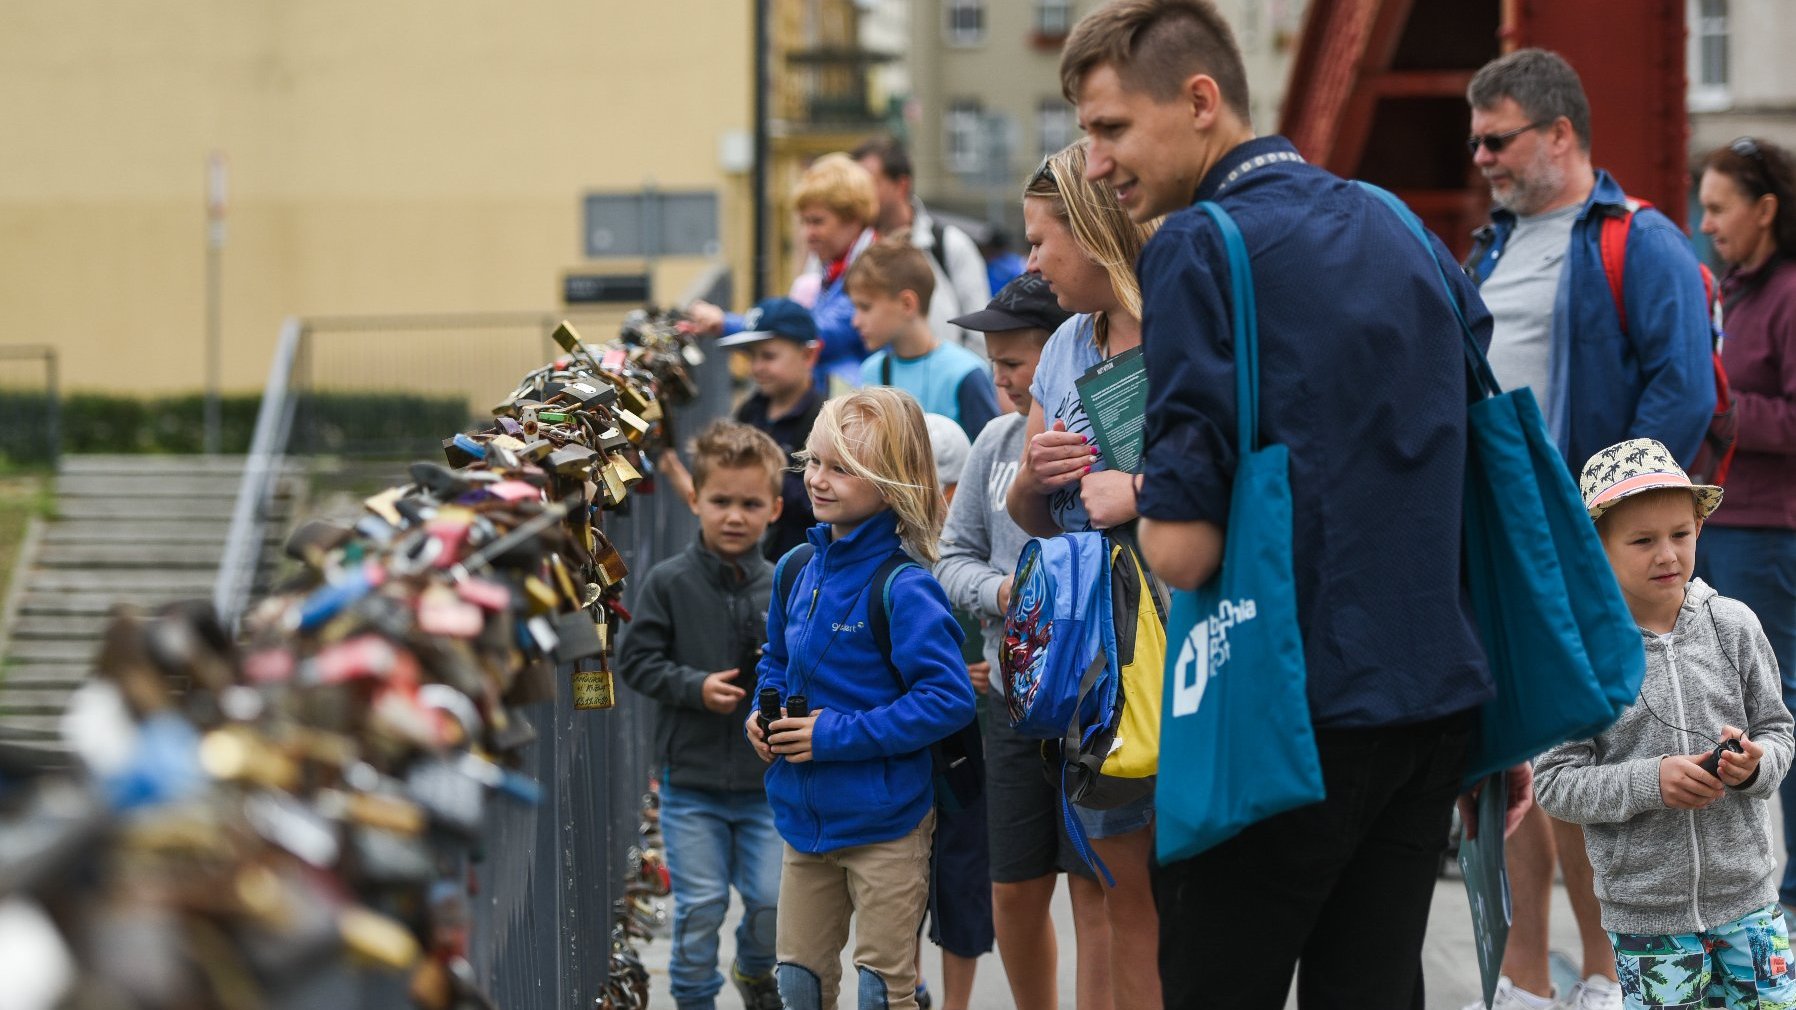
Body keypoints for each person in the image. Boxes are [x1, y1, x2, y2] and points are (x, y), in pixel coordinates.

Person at [1058, 2, 1520, 1005]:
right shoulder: (1392, 220)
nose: (1093, 163)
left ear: (1199, 99)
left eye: (1107, 128)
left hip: (1285, 703)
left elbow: (1182, 548)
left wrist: (1133, 493)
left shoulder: (1194, 249)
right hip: (1430, 696)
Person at [1462, 49, 1720, 1009]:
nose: (1481, 155)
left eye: (1499, 138)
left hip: (1580, 550)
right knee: (1517, 760)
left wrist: (1607, 523)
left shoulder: (1639, 242)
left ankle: (1607, 975)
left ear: (1559, 134)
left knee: (1592, 765)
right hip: (1507, 547)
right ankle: (1527, 979)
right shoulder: (1488, 247)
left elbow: (1683, 394)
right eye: (1477, 138)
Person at [1534, 437, 1795, 1010]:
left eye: (1680, 534)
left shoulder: (1735, 626)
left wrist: (1754, 768)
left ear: (1699, 530)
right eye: (1642, 541)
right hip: (1647, 919)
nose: (1667, 555)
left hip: (1750, 903)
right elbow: (1554, 783)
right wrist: (1652, 781)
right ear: (1595, 548)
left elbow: (1779, 731)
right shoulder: (1579, 654)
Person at [745, 386, 978, 1010]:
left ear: (892, 483)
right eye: (815, 460)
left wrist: (832, 735)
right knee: (797, 981)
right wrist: (759, 714)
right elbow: (774, 660)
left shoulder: (906, 587)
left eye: (842, 468)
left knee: (882, 991)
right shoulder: (795, 566)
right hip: (803, 819)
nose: (818, 480)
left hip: (888, 824)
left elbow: (948, 698)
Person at [1004, 137, 1162, 1010]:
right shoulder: (1067, 343)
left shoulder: (1190, 322)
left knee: (1191, 878)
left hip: (1180, 630)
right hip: (1091, 654)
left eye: (1039, 239)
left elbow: (1256, 470)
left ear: (1095, 230)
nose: (1031, 262)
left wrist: (1134, 489)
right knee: (1118, 877)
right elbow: (1029, 513)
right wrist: (1038, 475)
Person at [937, 273, 1115, 1010]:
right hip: (1014, 698)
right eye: (994, 363)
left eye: (1015, 363)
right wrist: (1006, 594)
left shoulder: (1108, 432)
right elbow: (953, 558)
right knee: (1012, 887)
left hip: (1095, 701)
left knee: (1097, 886)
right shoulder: (994, 441)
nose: (1002, 379)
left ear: (1058, 355)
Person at [615, 420, 789, 1010]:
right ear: (694, 499)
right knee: (700, 906)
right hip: (691, 783)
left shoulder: (786, 586)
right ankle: (694, 999)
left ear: (774, 508)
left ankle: (755, 968)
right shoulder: (668, 582)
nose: (734, 516)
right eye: (720, 501)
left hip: (767, 785)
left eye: (749, 503)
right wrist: (693, 687)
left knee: (768, 901)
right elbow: (635, 661)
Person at [1695, 136, 1796, 919]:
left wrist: (1722, 406)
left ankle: (1789, 894)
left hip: (1771, 533)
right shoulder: (1737, 288)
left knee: (1780, 705)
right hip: (1732, 523)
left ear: (1765, 210)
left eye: (1719, 207)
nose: (1706, 222)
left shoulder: (1789, 293)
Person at [911, 411, 989, 1010]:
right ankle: (906, 990)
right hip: (911, 742)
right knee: (901, 876)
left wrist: (991, 666)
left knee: (961, 881)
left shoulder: (973, 544)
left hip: (970, 746)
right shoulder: (889, 556)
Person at [689, 153, 881, 389]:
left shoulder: (873, 271)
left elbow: (812, 333)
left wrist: (726, 324)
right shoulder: (838, 268)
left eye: (817, 221)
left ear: (853, 218)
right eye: (804, 222)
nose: (807, 234)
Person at [658, 297, 822, 561]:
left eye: (768, 356)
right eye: (751, 356)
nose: (757, 367)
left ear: (808, 355)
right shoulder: (751, 411)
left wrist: (760, 477)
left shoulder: (822, 422)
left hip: (800, 567)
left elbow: (814, 500)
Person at [850, 237, 1001, 441]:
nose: (855, 321)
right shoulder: (871, 371)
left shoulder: (965, 372)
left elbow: (988, 459)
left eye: (865, 307)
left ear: (907, 304)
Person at [853, 136, 992, 354]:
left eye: (868, 184)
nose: (858, 196)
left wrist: (959, 380)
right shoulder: (859, 251)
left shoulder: (949, 244)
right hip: (881, 384)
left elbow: (980, 334)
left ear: (901, 185)